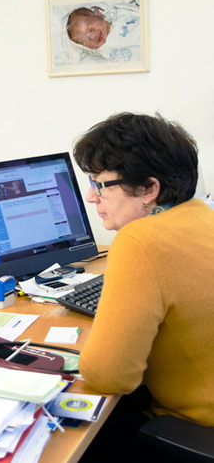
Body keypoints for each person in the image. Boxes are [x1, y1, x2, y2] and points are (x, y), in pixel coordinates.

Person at [72, 112, 214, 461]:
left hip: (193, 430)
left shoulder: (141, 239)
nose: (92, 197)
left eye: (99, 183)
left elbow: (108, 376)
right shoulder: (202, 215)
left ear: (150, 189)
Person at [66, 1, 140, 62]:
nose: (93, 36)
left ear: (98, 14)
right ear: (89, 47)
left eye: (91, 28)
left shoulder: (118, 12)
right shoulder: (108, 50)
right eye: (88, 40)